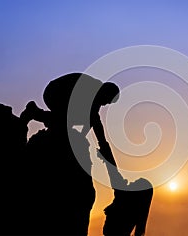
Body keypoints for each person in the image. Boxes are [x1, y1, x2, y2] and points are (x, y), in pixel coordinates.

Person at [19, 72, 120, 235]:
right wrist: (115, 171)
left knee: (68, 124)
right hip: (55, 92)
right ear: (105, 93)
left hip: (61, 94)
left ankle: (36, 112)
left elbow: (96, 131)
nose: (104, 105)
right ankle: (34, 112)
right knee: (65, 123)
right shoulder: (91, 93)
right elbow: (98, 132)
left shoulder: (94, 96)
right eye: (106, 101)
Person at [97, 147, 153, 236]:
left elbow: (113, 171)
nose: (131, 182)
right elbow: (113, 171)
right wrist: (106, 155)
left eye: (135, 183)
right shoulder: (136, 212)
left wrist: (105, 153)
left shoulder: (123, 196)